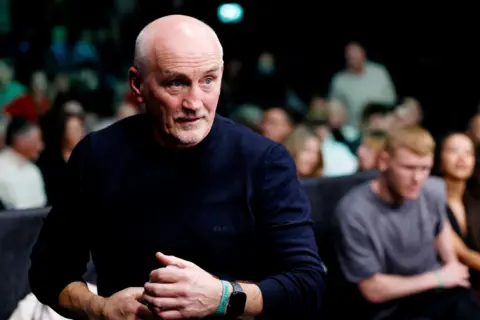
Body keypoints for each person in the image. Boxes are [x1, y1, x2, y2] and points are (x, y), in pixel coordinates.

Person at [29, 15, 325, 320]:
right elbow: (48, 274)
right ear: (137, 84)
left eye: (208, 80)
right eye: (176, 83)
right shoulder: (97, 155)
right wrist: (99, 308)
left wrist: (223, 297)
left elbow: (307, 285)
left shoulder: (263, 161)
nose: (195, 102)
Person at [334, 124, 480, 319]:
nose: (417, 178)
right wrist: (438, 278)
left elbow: (440, 228)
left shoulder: (433, 189)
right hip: (390, 308)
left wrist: (451, 265)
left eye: (425, 168)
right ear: (384, 161)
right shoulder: (354, 211)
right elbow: (372, 289)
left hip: (437, 293)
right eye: (409, 168)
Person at [434, 132, 480, 294]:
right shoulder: (430, 200)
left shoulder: (475, 198)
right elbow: (463, 255)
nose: (462, 159)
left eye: (468, 153)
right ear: (439, 157)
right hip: (445, 287)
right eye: (454, 151)